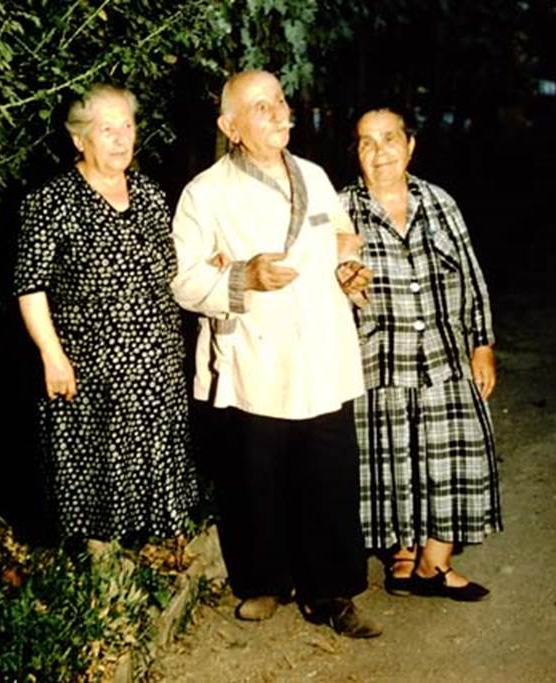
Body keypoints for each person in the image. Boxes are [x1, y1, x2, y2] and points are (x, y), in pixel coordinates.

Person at [169, 70, 380, 638]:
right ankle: (265, 583)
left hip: (321, 351)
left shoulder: (313, 176)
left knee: (329, 474)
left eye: (280, 101)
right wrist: (243, 276)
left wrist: (349, 273)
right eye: (260, 107)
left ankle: (331, 591)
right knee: (256, 476)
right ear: (229, 126)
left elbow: (342, 242)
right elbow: (185, 281)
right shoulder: (205, 193)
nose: (278, 112)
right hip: (256, 357)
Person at [13, 84, 197, 552]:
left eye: (128, 126)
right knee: (94, 470)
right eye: (106, 129)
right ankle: (93, 565)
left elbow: (174, 269)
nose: (121, 139)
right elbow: (30, 287)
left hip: (156, 363)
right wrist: (53, 357)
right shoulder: (51, 202)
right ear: (79, 139)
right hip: (90, 367)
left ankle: (143, 554)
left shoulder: (152, 195)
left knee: (149, 461)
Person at [339, 107, 502, 601]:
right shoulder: (341, 208)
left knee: (459, 455)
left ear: (410, 146)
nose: (380, 151)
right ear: (357, 154)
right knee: (390, 460)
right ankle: (402, 557)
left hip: (445, 355)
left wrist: (483, 343)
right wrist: (342, 281)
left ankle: (437, 560)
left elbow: (471, 277)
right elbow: (326, 278)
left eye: (389, 139)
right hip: (378, 358)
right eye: (367, 143)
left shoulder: (440, 203)